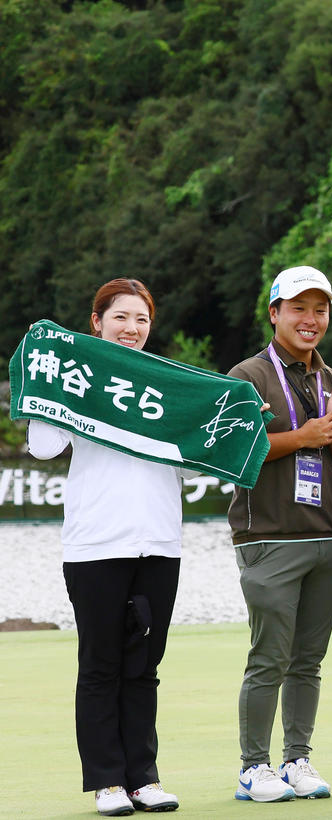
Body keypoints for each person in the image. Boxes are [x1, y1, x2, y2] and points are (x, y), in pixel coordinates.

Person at [28, 279, 184, 815]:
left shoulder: (167, 385)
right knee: (101, 663)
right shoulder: (78, 378)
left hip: (160, 540)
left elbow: (205, 445)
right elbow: (44, 448)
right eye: (120, 317)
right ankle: (107, 782)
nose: (131, 329)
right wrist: (50, 381)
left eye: (141, 319)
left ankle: (144, 778)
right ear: (96, 322)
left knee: (145, 664)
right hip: (95, 543)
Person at [226, 266, 332, 802]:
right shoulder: (247, 376)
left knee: (308, 661)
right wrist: (306, 433)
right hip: (267, 535)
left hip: (325, 535)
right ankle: (252, 767)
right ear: (274, 313)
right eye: (299, 309)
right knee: (270, 657)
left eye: (320, 310)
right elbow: (239, 453)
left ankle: (297, 760)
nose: (311, 320)